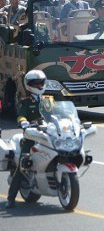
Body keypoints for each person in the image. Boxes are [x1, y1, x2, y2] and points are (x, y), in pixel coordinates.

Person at [5, 70, 47, 208]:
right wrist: (23, 122)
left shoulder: (48, 100)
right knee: (23, 165)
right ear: (29, 85)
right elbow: (21, 115)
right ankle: (11, 198)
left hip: (47, 135)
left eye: (41, 83)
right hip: (31, 137)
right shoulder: (26, 102)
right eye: (36, 83)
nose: (39, 86)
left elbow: (56, 113)